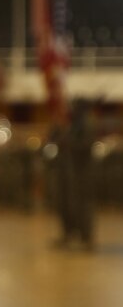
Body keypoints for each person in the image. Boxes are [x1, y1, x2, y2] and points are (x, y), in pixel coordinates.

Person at [52, 98, 95, 250]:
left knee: (82, 206)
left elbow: (86, 144)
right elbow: (54, 139)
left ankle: (86, 238)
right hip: (67, 171)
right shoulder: (69, 124)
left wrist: (68, 142)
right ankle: (69, 234)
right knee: (65, 204)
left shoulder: (86, 123)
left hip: (81, 172)